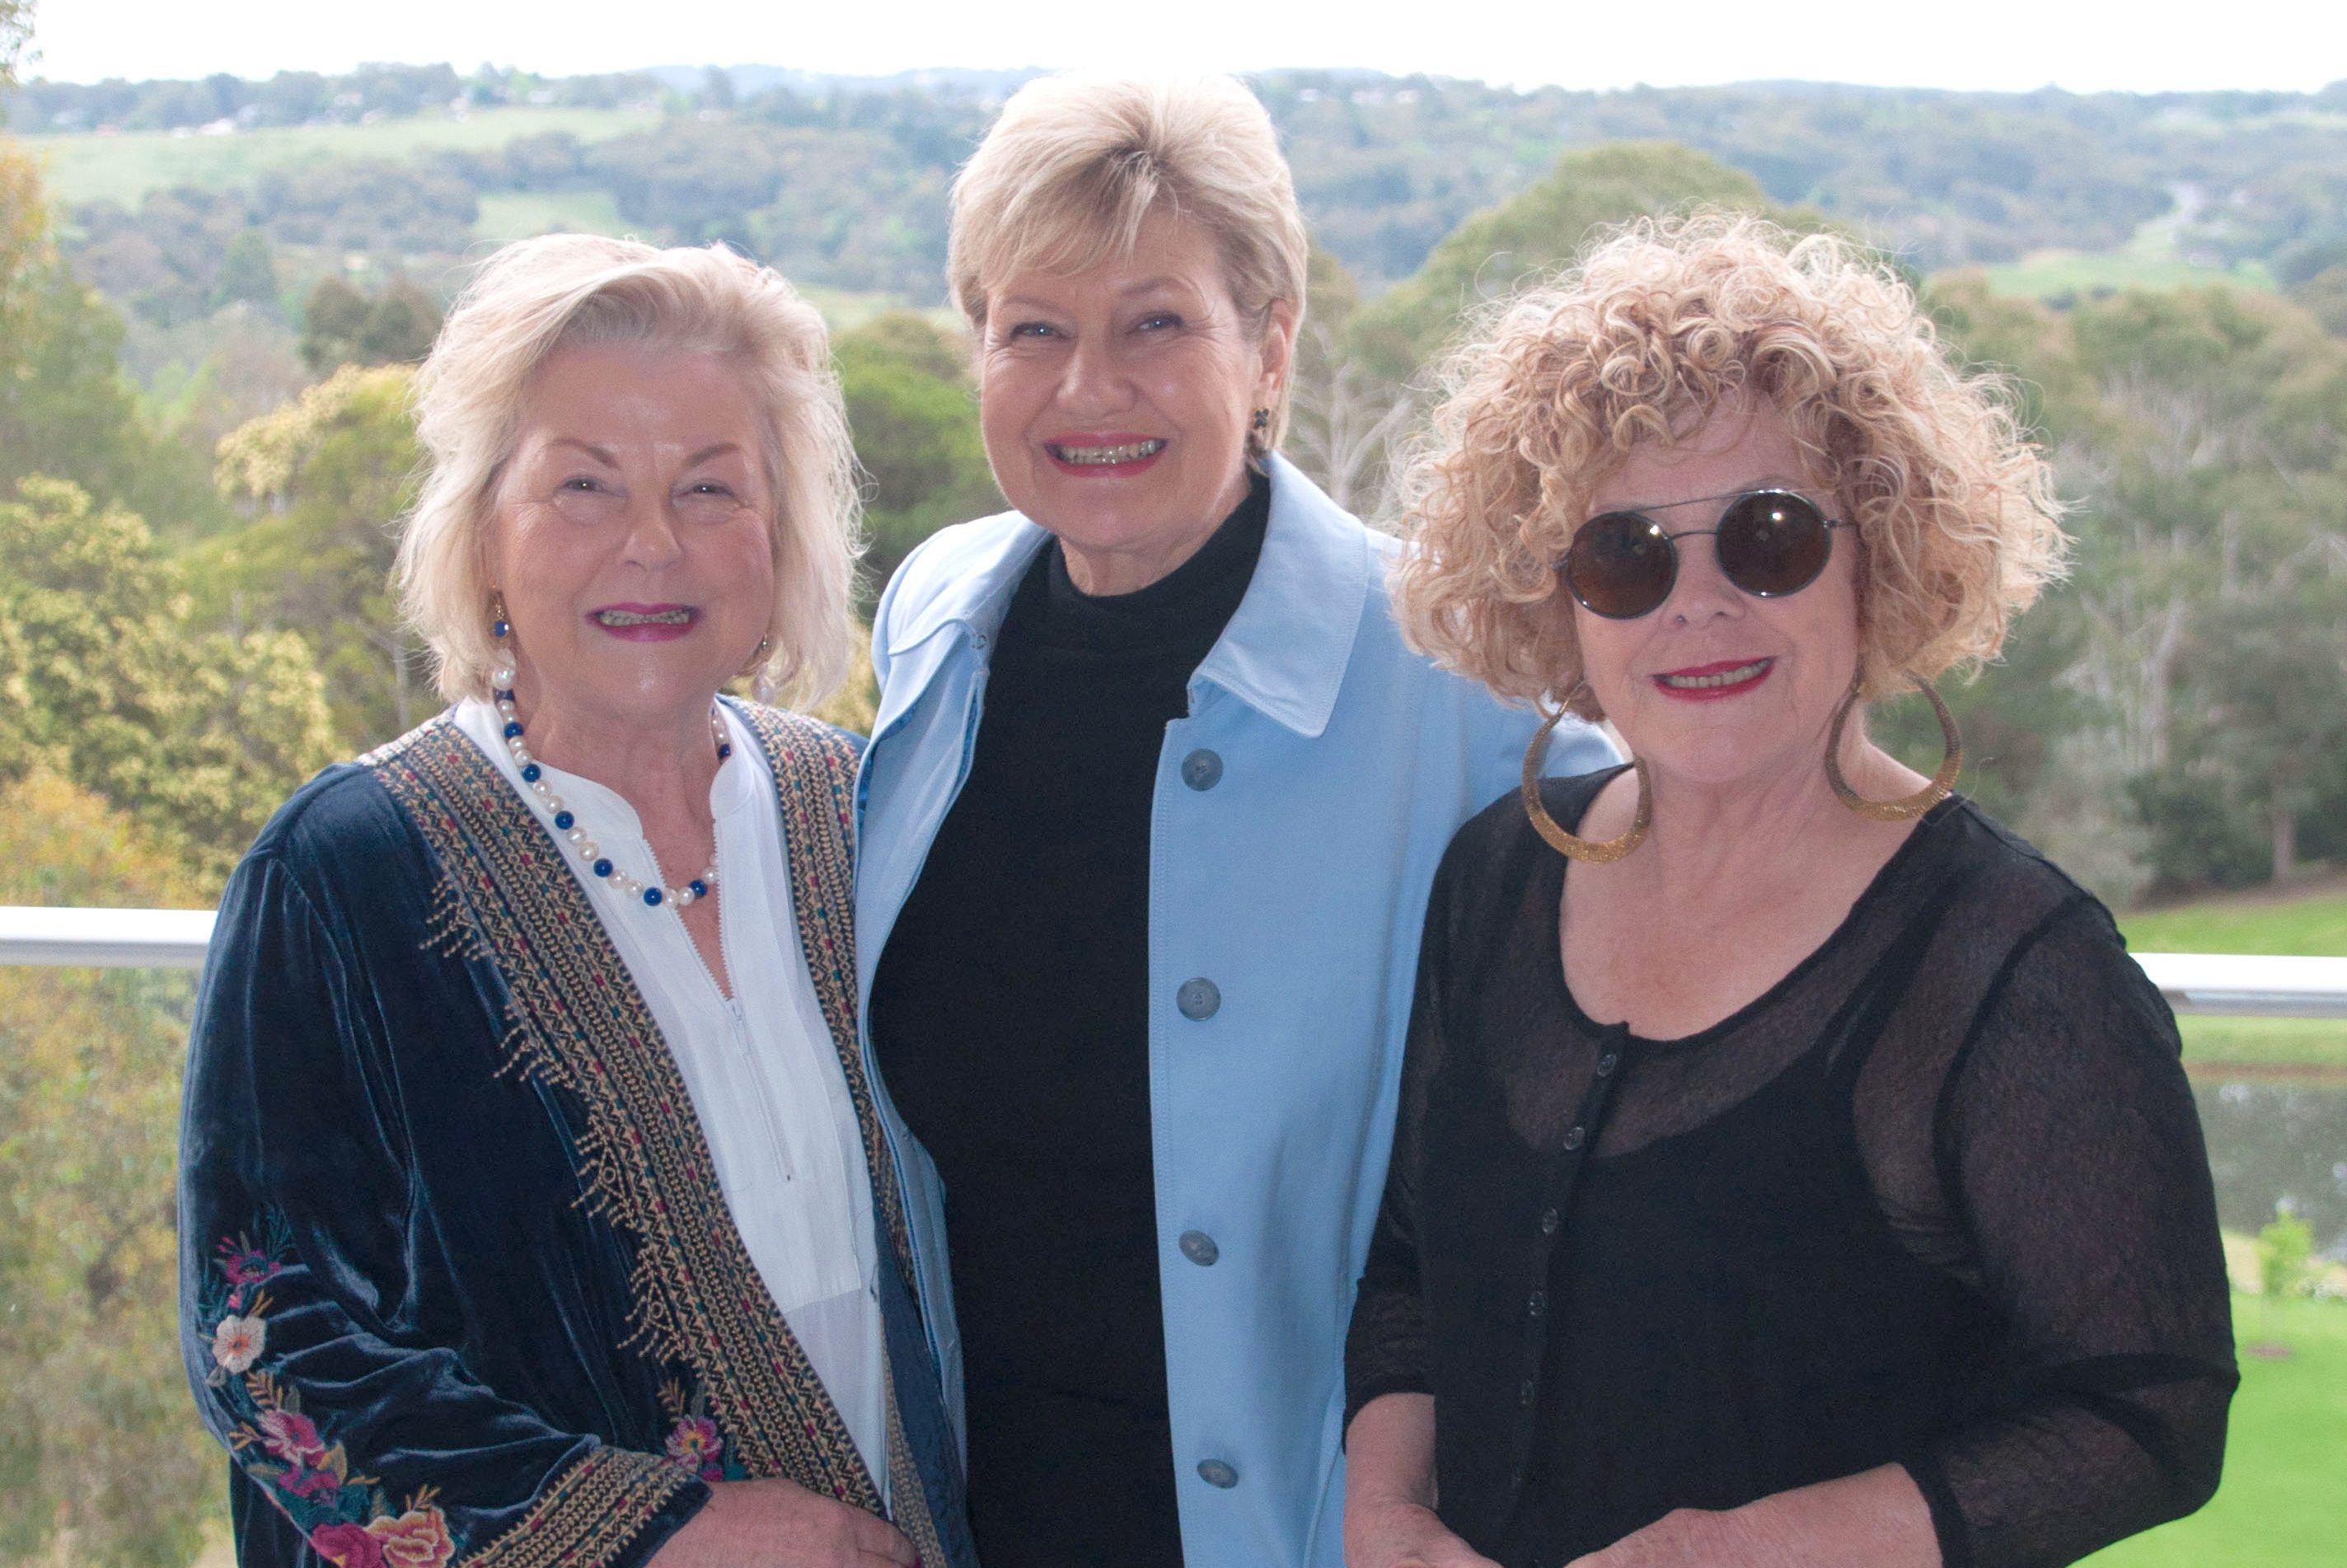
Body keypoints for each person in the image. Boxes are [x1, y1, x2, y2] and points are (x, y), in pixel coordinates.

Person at [1342, 214, 2237, 1568]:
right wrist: (1387, 1513)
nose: (1697, 605)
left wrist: (1749, 1547)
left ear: (1878, 552)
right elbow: (1413, 1262)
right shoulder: (1498, 880)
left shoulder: (2012, 966)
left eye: (1768, 538)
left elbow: (2150, 1415)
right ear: (1560, 601)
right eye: (1626, 555)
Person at [852, 73, 1616, 1568]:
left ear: (1270, 347)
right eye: (1034, 327)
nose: (1089, 388)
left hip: (1318, 1531)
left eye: (1156, 322)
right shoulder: (934, 622)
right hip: (979, 1515)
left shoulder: (1467, 699)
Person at [177, 235, 975, 1568]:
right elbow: (265, 1340)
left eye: (713, 487)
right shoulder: (344, 871)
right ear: (486, 535)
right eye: (584, 487)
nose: (652, 544)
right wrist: (664, 1534)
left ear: (781, 538)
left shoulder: (861, 811)